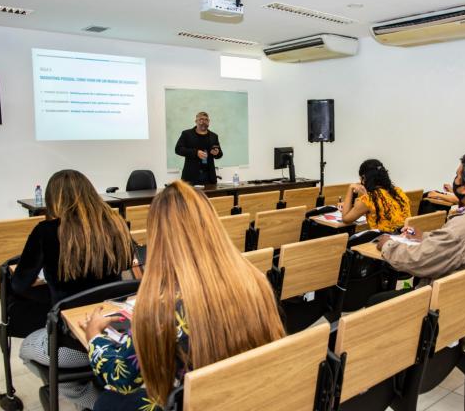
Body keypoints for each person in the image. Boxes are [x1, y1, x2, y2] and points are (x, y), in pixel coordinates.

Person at [82, 181, 286, 410]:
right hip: (240, 396)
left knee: (106, 401)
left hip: (190, 401)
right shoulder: (254, 279)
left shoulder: (162, 308)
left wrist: (94, 337)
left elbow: (123, 378)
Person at [15, 169, 133, 409]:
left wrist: (52, 295)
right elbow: (125, 265)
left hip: (72, 346)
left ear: (53, 199)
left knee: (26, 348)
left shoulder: (45, 231)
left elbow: (19, 285)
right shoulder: (116, 223)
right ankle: (98, 380)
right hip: (114, 332)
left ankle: (92, 401)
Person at [376, 154, 465, 284]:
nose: (455, 180)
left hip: (446, 305)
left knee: (375, 301)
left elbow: (419, 260)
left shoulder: (462, 228)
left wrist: (388, 245)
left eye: (457, 176)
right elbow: (455, 245)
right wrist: (424, 237)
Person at [340, 159, 411, 233]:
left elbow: (345, 219)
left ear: (364, 178)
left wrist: (350, 188)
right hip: (405, 236)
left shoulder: (369, 199)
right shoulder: (398, 192)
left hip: (384, 240)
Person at [175, 111, 223, 185]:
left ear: (209, 122)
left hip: (209, 177)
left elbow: (220, 154)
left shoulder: (214, 136)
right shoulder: (187, 134)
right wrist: (196, 152)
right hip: (191, 177)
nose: (203, 122)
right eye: (201, 119)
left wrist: (217, 153)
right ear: (196, 121)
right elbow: (178, 149)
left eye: (206, 120)